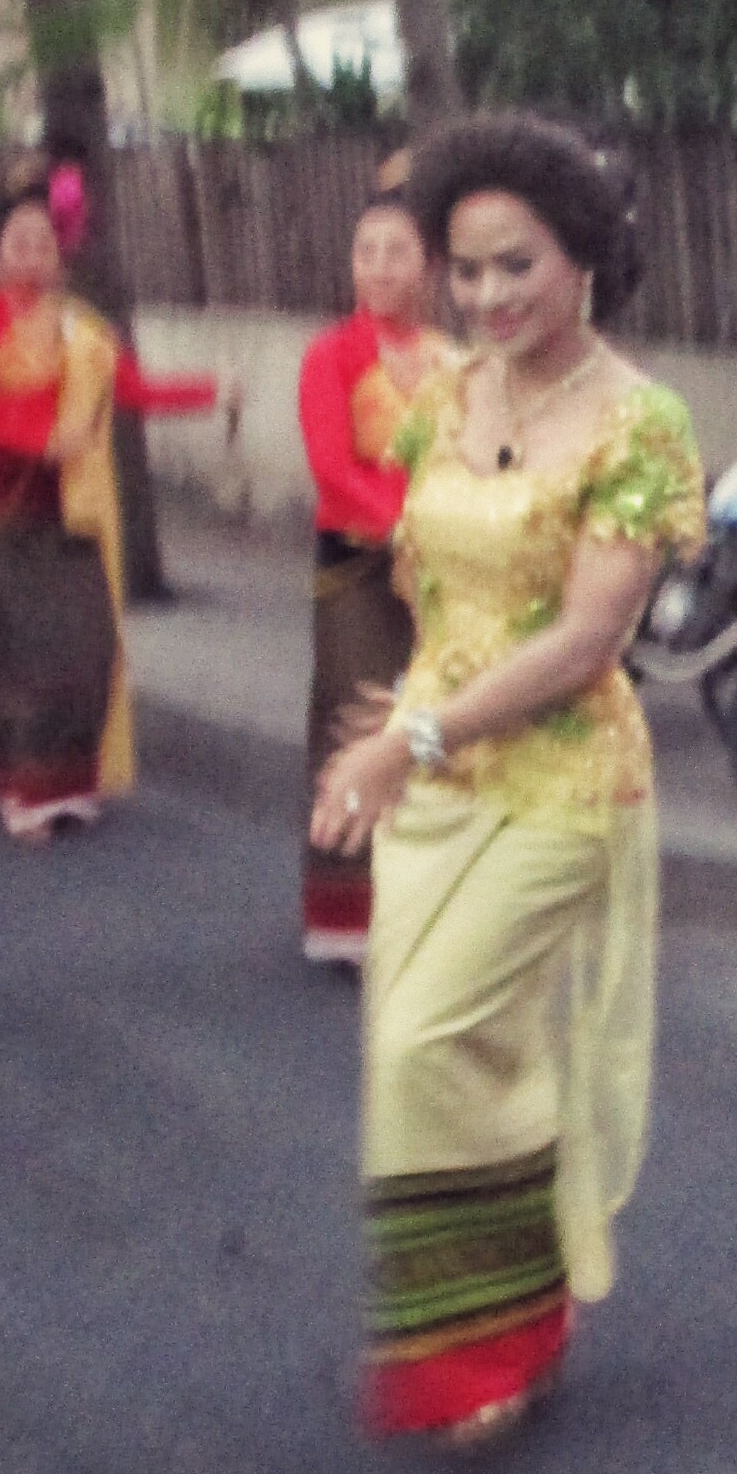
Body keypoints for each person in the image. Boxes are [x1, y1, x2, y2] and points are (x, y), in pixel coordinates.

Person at [310, 114, 705, 1446]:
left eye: (514, 265)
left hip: (559, 785)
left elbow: (588, 640)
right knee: (428, 1049)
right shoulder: (445, 395)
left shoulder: (640, 423)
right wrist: (416, 700)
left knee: (429, 1042)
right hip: (440, 772)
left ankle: (482, 1342)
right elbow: (429, 576)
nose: (484, 296)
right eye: (465, 269)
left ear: (582, 255)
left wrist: (411, 737)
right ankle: (505, 1328)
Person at [0, 156, 217, 842]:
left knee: (89, 643)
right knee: (22, 650)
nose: (32, 255)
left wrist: (213, 391)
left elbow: (133, 391)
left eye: (43, 242)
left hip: (71, 505)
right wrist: (42, 440)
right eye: (18, 242)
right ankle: (23, 787)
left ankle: (67, 780)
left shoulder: (84, 328)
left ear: (60, 249)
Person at [296, 184, 454, 962]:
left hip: (444, 574)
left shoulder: (457, 363)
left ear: (429, 266)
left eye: (398, 251)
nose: (381, 266)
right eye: (367, 252)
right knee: (360, 718)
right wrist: (403, 527)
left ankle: (426, 906)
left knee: (437, 727)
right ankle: (347, 913)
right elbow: (333, 467)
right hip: (362, 570)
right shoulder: (331, 355)